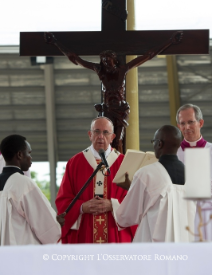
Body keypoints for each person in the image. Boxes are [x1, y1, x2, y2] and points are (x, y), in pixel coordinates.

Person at [44, 31, 183, 150]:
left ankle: (118, 164)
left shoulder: (122, 70)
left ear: (114, 60)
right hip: (107, 109)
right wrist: (55, 42)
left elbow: (148, 55)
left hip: (120, 109)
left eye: (108, 61)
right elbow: (76, 58)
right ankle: (105, 164)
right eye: (104, 61)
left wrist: (169, 41)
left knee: (118, 140)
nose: (106, 63)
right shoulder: (100, 71)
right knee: (104, 140)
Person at [56, 116, 137, 244]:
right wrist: (82, 207)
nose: (101, 136)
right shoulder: (75, 163)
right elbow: (63, 200)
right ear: (90, 134)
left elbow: (135, 200)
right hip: (84, 234)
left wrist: (113, 205)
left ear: (112, 137)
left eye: (105, 132)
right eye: (97, 131)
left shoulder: (124, 163)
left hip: (115, 233)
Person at [114, 125, 196, 242]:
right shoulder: (193, 176)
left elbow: (125, 217)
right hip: (184, 247)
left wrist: (129, 191)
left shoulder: (146, 174)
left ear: (159, 144)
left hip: (154, 249)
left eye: (154, 141)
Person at [0, 134, 65, 245]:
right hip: (22, 254)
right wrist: (57, 223)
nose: (31, 157)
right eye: (29, 153)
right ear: (20, 155)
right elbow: (45, 226)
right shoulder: (23, 183)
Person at [176, 103, 212, 240]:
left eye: (191, 122)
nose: (186, 127)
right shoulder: (173, 154)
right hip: (182, 215)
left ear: (200, 123)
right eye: (182, 123)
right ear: (179, 126)